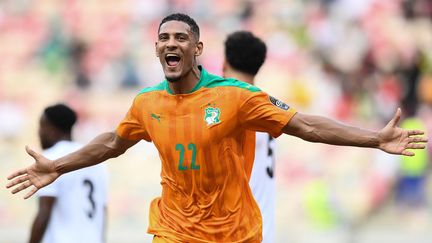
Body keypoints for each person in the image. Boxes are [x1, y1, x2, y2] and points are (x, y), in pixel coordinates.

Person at [6, 13, 427, 243]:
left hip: (233, 234)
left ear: (198, 49)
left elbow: (306, 125)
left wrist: (374, 138)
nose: (171, 43)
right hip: (173, 231)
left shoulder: (234, 97)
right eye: (163, 37)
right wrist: (58, 166)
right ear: (156, 48)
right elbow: (113, 143)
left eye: (181, 38)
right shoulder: (147, 103)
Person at [222, 31, 276, 243]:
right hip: (265, 230)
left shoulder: (235, 107)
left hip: (240, 232)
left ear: (224, 62)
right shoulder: (268, 106)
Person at [28, 104, 108, 243]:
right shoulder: (96, 161)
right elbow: (103, 210)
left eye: (41, 127)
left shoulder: (50, 159)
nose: (39, 133)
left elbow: (43, 214)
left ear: (51, 129)